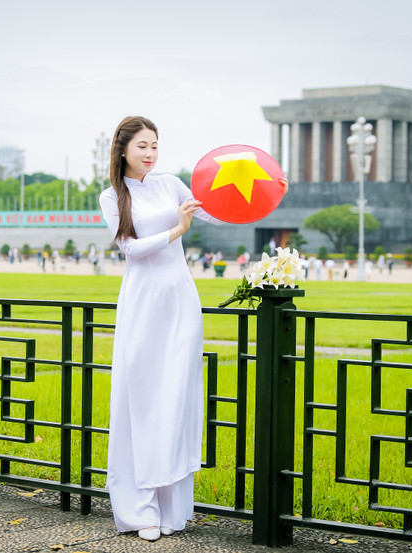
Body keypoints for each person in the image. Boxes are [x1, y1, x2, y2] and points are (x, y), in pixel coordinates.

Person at [98, 115, 285, 542]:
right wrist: (177, 230)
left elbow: (218, 214)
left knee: (176, 398)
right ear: (123, 149)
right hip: (143, 302)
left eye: (155, 145)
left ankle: (171, 508)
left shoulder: (171, 184)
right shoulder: (112, 196)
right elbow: (131, 249)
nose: (150, 153)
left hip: (181, 301)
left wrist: (268, 193)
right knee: (141, 397)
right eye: (142, 145)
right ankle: (140, 508)